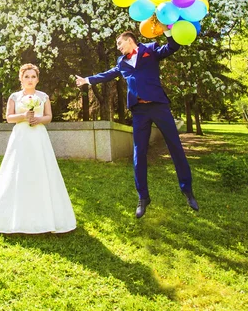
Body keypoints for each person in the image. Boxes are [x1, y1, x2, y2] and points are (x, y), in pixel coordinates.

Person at [75, 31, 198, 218]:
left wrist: (168, 30)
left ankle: (187, 190)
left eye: (119, 43)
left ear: (130, 40)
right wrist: (87, 80)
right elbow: (108, 74)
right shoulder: (121, 62)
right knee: (138, 154)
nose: (118, 47)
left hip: (159, 106)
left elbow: (172, 47)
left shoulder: (150, 50)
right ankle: (143, 197)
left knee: (175, 146)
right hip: (139, 111)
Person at [0, 63, 76, 234]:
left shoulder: (43, 96)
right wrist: (24, 116)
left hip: (38, 136)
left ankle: (46, 217)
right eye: (27, 76)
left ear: (37, 79)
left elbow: (48, 117)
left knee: (41, 170)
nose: (30, 80)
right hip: (21, 136)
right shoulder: (14, 97)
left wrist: (38, 120)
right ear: (21, 79)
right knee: (18, 170)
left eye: (33, 77)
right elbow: (9, 118)